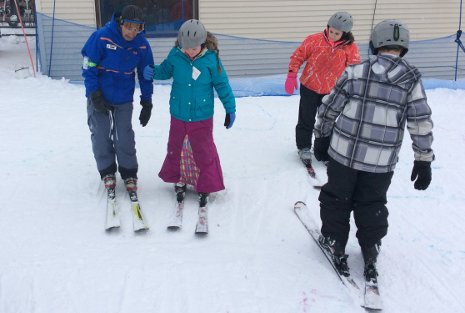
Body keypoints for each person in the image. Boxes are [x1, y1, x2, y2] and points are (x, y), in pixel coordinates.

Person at [313, 19, 434, 283]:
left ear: (375, 43)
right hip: (380, 162)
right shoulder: (410, 79)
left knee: (337, 198)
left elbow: (329, 106)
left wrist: (322, 136)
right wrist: (423, 159)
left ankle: (334, 239)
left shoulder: (356, 71)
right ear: (403, 48)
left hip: (343, 155)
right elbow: (419, 120)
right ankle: (370, 245)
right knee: (372, 203)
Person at [143, 19, 235, 210]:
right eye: (186, 48)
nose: (190, 52)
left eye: (194, 48)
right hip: (178, 113)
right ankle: (180, 179)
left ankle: (205, 185)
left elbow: (222, 85)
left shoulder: (211, 59)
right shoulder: (176, 55)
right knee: (177, 148)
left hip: (202, 115)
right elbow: (165, 70)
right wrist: (153, 72)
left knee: (203, 150)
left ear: (202, 44)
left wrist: (230, 108)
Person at [81, 4, 154, 194]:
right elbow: (89, 65)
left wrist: (147, 102)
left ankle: (129, 172)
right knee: (101, 133)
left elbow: (146, 75)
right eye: (128, 27)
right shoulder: (102, 36)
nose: (131, 32)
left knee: (124, 136)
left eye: (136, 28)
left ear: (141, 28)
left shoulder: (142, 46)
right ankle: (107, 171)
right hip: (100, 94)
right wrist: (93, 93)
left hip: (123, 97)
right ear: (121, 23)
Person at [284, 12, 360, 168]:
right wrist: (292, 75)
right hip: (309, 86)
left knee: (327, 122)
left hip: (331, 91)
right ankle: (304, 147)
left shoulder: (350, 48)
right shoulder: (315, 40)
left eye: (337, 33)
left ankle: (324, 150)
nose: (332, 35)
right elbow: (298, 56)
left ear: (345, 33)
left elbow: (354, 69)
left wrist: (353, 88)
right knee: (307, 119)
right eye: (331, 30)